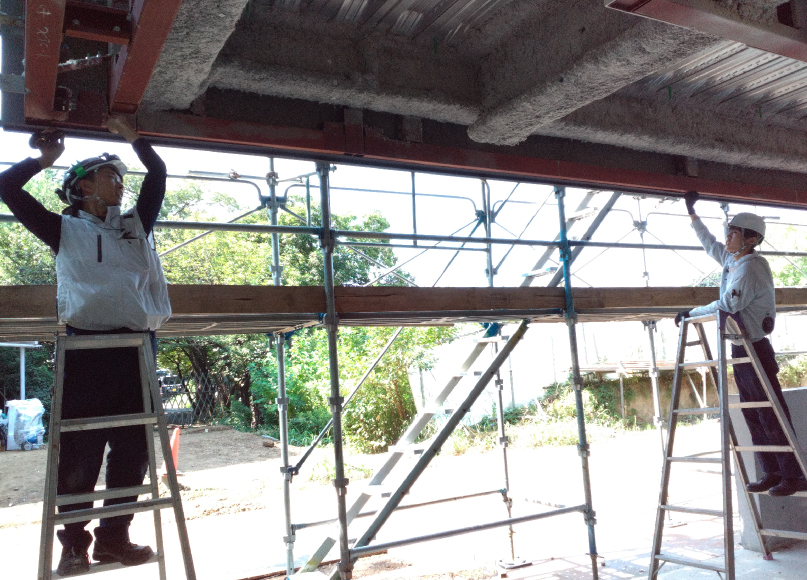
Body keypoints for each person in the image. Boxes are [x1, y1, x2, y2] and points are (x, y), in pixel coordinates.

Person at [0, 118, 172, 575]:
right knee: (80, 451)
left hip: (137, 347)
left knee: (133, 449)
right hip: (87, 350)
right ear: (84, 187)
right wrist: (43, 160)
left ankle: (114, 538)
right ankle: (73, 546)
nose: (120, 183)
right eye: (110, 175)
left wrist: (133, 136)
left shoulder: (135, 225)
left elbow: (157, 174)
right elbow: (6, 187)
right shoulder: (62, 229)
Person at [676, 191, 806, 497]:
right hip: (740, 347)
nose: (727, 237)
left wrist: (690, 314)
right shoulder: (734, 260)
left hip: (756, 348)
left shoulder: (751, 268)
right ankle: (772, 472)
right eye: (729, 231)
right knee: (753, 413)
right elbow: (709, 244)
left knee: (770, 412)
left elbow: (727, 306)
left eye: (733, 233)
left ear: (751, 239)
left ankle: (794, 475)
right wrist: (693, 214)